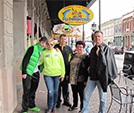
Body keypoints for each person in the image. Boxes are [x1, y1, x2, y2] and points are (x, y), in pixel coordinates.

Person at [81, 30, 118, 113]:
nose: (97, 38)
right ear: (94, 38)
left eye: (99, 36)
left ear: (102, 38)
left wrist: (99, 55)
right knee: (86, 96)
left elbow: (107, 64)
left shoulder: (107, 49)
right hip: (92, 77)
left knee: (102, 99)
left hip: (102, 78)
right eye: (96, 36)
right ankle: (84, 111)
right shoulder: (93, 49)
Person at [20, 36, 48, 113]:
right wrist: (24, 72)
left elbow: (52, 49)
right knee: (27, 90)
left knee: (33, 90)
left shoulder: (45, 50)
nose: (43, 45)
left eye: (45, 43)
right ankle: (24, 109)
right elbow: (26, 59)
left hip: (36, 72)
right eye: (42, 42)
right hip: (28, 72)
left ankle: (31, 105)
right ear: (39, 42)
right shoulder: (33, 48)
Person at [39, 38, 65, 113]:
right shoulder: (44, 53)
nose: (49, 46)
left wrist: (62, 74)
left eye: (51, 44)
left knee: (56, 91)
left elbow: (62, 64)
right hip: (48, 75)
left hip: (57, 74)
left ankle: (54, 106)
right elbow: (40, 62)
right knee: (51, 91)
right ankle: (49, 107)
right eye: (48, 44)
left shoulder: (58, 52)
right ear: (46, 45)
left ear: (54, 44)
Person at [67, 41, 90, 113]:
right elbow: (69, 65)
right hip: (73, 78)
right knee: (74, 93)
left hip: (81, 79)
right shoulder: (73, 55)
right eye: (78, 47)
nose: (79, 48)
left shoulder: (86, 57)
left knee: (81, 94)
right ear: (76, 47)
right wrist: (67, 74)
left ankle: (82, 108)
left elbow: (87, 70)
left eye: (81, 47)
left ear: (83, 48)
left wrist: (86, 80)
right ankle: (75, 105)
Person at [54, 34, 73, 108]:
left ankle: (66, 101)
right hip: (57, 71)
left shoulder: (68, 48)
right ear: (59, 39)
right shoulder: (55, 47)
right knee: (57, 88)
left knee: (66, 88)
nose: (63, 41)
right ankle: (58, 101)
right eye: (62, 39)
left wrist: (68, 73)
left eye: (65, 39)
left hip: (65, 72)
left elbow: (70, 61)